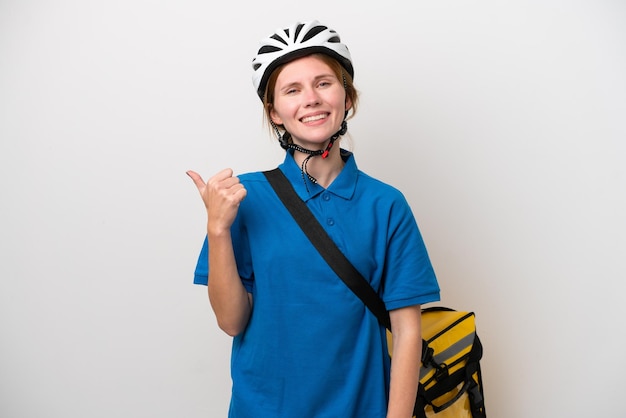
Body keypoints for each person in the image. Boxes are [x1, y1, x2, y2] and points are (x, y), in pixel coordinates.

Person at [187, 20, 440, 418]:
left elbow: (408, 330)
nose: (311, 98)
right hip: (262, 409)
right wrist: (217, 228)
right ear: (274, 113)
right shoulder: (242, 198)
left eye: (323, 83)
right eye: (293, 90)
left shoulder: (386, 204)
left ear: (347, 98)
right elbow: (232, 322)